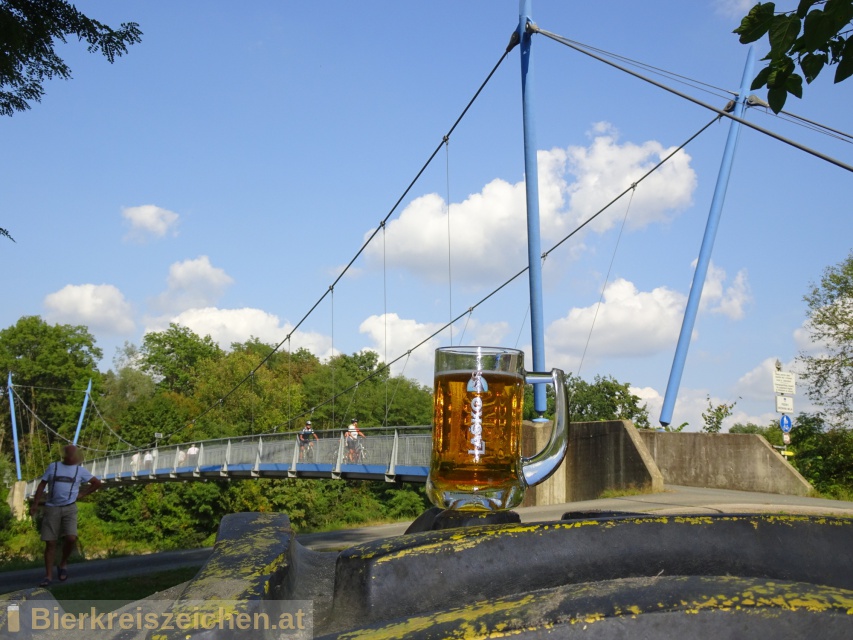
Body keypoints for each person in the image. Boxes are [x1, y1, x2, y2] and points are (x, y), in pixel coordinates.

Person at [29, 444, 102, 587]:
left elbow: (96, 483)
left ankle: (63, 563)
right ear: (66, 456)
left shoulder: (80, 471)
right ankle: (48, 576)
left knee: (71, 538)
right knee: (50, 543)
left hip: (69, 508)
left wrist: (83, 494)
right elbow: (41, 485)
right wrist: (35, 504)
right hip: (52, 508)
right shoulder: (53, 467)